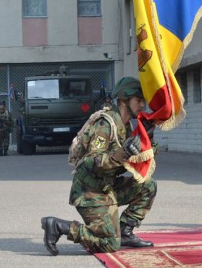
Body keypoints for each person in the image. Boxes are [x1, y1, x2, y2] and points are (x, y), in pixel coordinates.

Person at [41, 77, 157, 255]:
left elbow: (134, 163)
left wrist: (148, 140)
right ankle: (59, 227)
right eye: (138, 100)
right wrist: (123, 153)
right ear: (124, 101)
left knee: (148, 186)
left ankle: (125, 232)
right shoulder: (105, 124)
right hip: (90, 192)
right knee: (110, 244)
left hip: (106, 186)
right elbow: (92, 163)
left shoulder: (127, 126)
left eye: (143, 100)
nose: (142, 105)